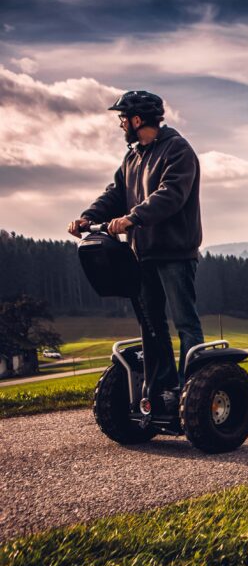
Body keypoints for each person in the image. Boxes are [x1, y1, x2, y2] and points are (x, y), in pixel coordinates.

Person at [68, 90, 203, 419]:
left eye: (122, 118)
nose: (120, 124)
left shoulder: (177, 149)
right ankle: (163, 390)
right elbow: (115, 194)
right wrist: (88, 217)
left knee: (185, 323)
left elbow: (171, 194)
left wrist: (133, 218)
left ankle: (194, 390)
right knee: (151, 326)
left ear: (137, 119)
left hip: (175, 253)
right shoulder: (133, 158)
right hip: (142, 255)